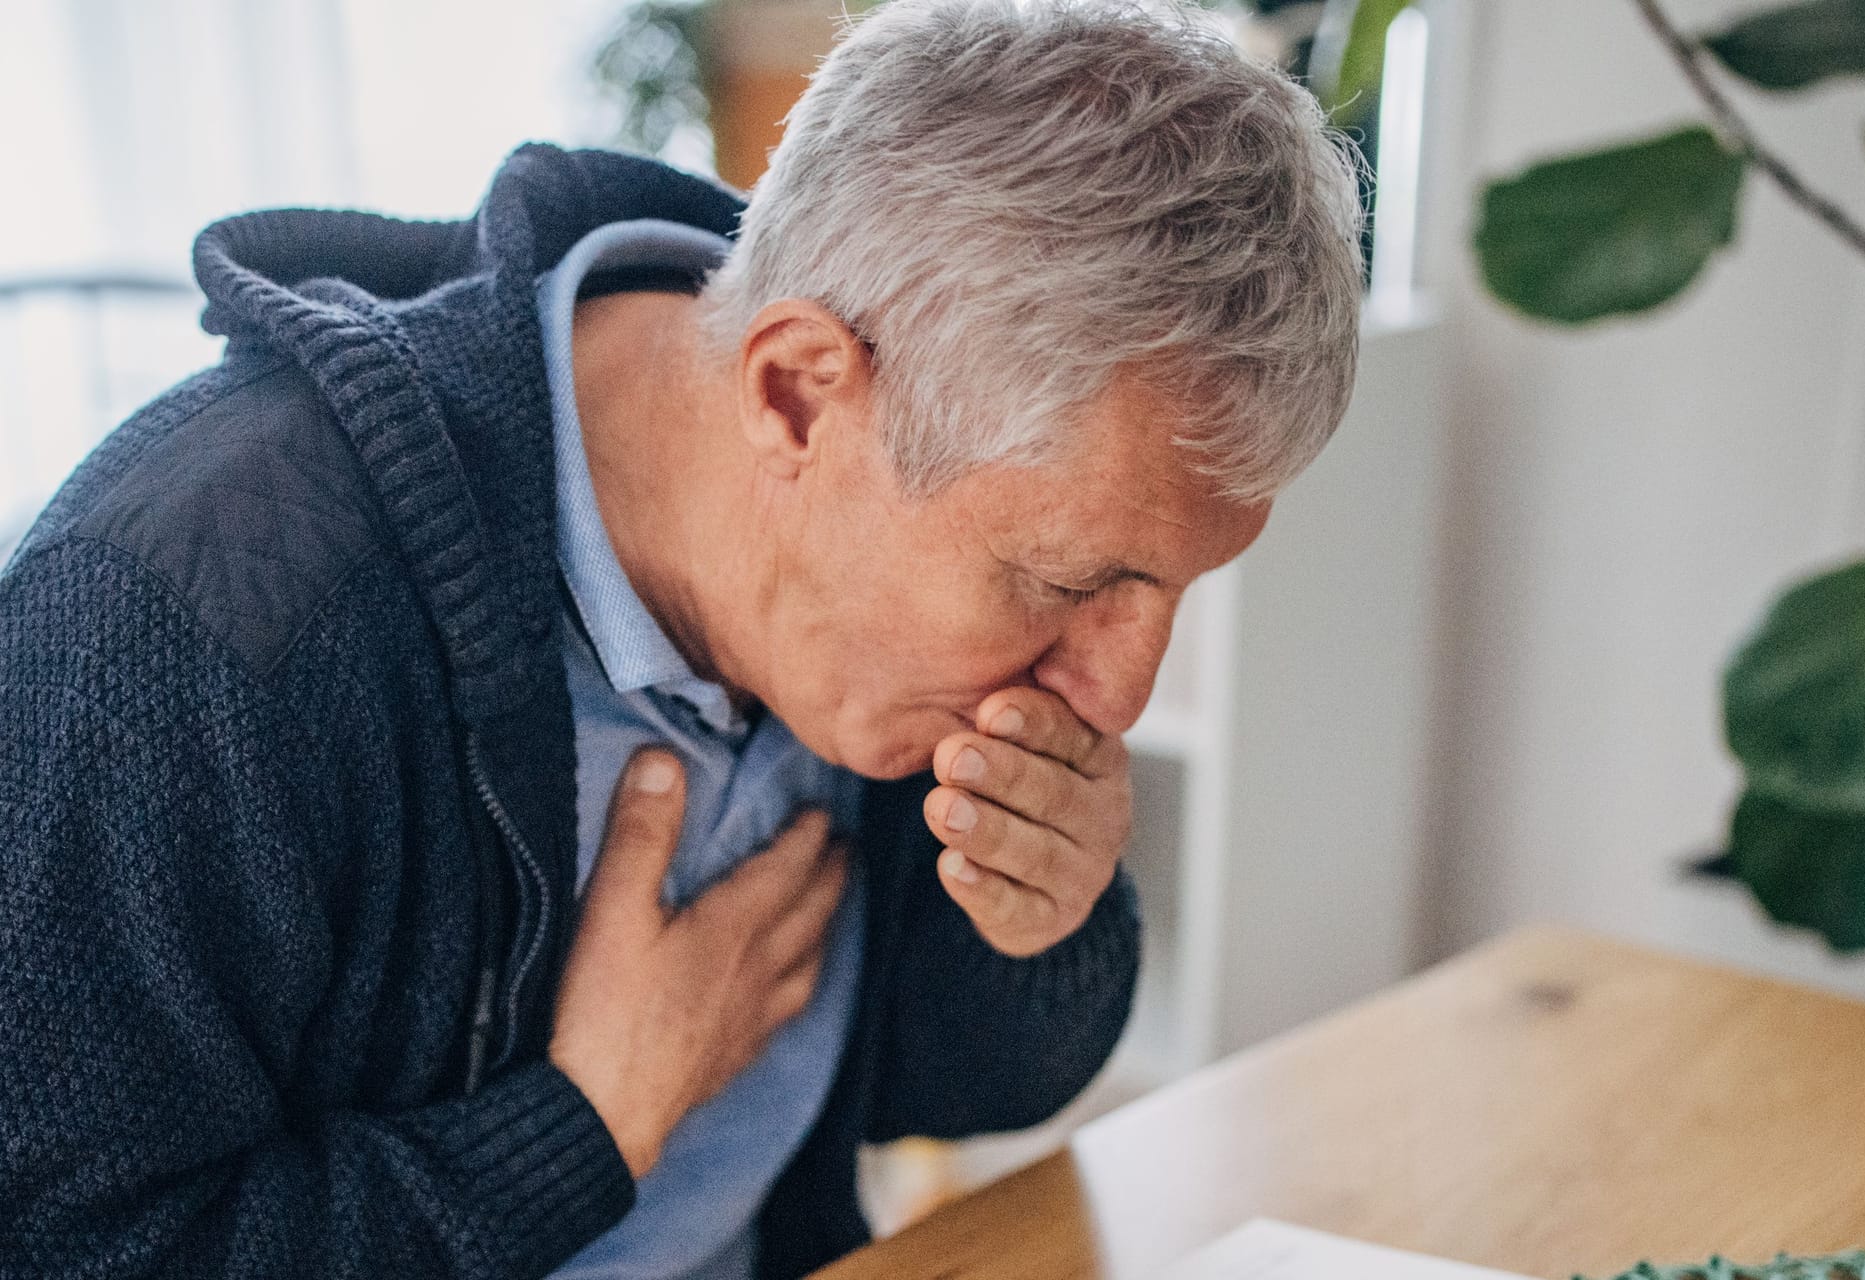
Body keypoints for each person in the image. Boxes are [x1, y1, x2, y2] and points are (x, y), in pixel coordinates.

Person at [0, 0, 1363, 1275]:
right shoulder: (183, 623)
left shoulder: (870, 578)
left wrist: (1037, 917)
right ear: (794, 394)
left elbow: (945, 1085)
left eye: (1172, 592)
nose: (1118, 691)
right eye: (1067, 582)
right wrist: (582, 1126)